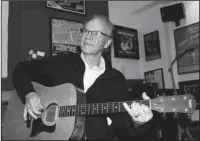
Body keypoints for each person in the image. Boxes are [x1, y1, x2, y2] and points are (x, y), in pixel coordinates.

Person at [13, 14, 153, 140]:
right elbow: (21, 69)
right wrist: (29, 94)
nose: (88, 36)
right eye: (86, 31)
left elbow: (124, 131)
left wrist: (139, 123)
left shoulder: (116, 80)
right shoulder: (62, 62)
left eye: (96, 33)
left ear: (107, 43)